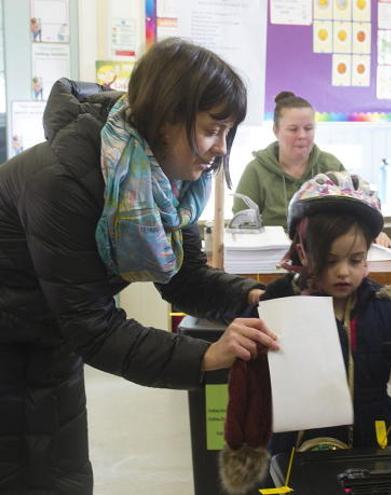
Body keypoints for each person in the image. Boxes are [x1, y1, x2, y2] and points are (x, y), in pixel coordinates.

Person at [0, 38, 279, 493]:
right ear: (168, 117)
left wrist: (251, 297)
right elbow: (94, 327)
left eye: (228, 132)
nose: (221, 148)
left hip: (48, 344)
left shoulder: (163, 181)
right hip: (12, 345)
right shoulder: (63, 181)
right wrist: (205, 355)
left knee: (61, 480)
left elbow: (184, 277)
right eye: (213, 130)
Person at [220, 172, 391, 493]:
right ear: (302, 253)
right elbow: (247, 371)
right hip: (296, 446)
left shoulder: (382, 307)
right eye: (330, 260)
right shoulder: (278, 305)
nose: (344, 271)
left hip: (373, 441)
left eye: (356, 260)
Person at [233, 91, 391, 246]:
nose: (302, 135)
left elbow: (355, 212)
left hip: (323, 258)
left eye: (308, 128)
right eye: (293, 129)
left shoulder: (331, 166)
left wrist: (374, 231)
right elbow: (243, 228)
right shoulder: (256, 171)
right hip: (271, 258)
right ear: (276, 130)